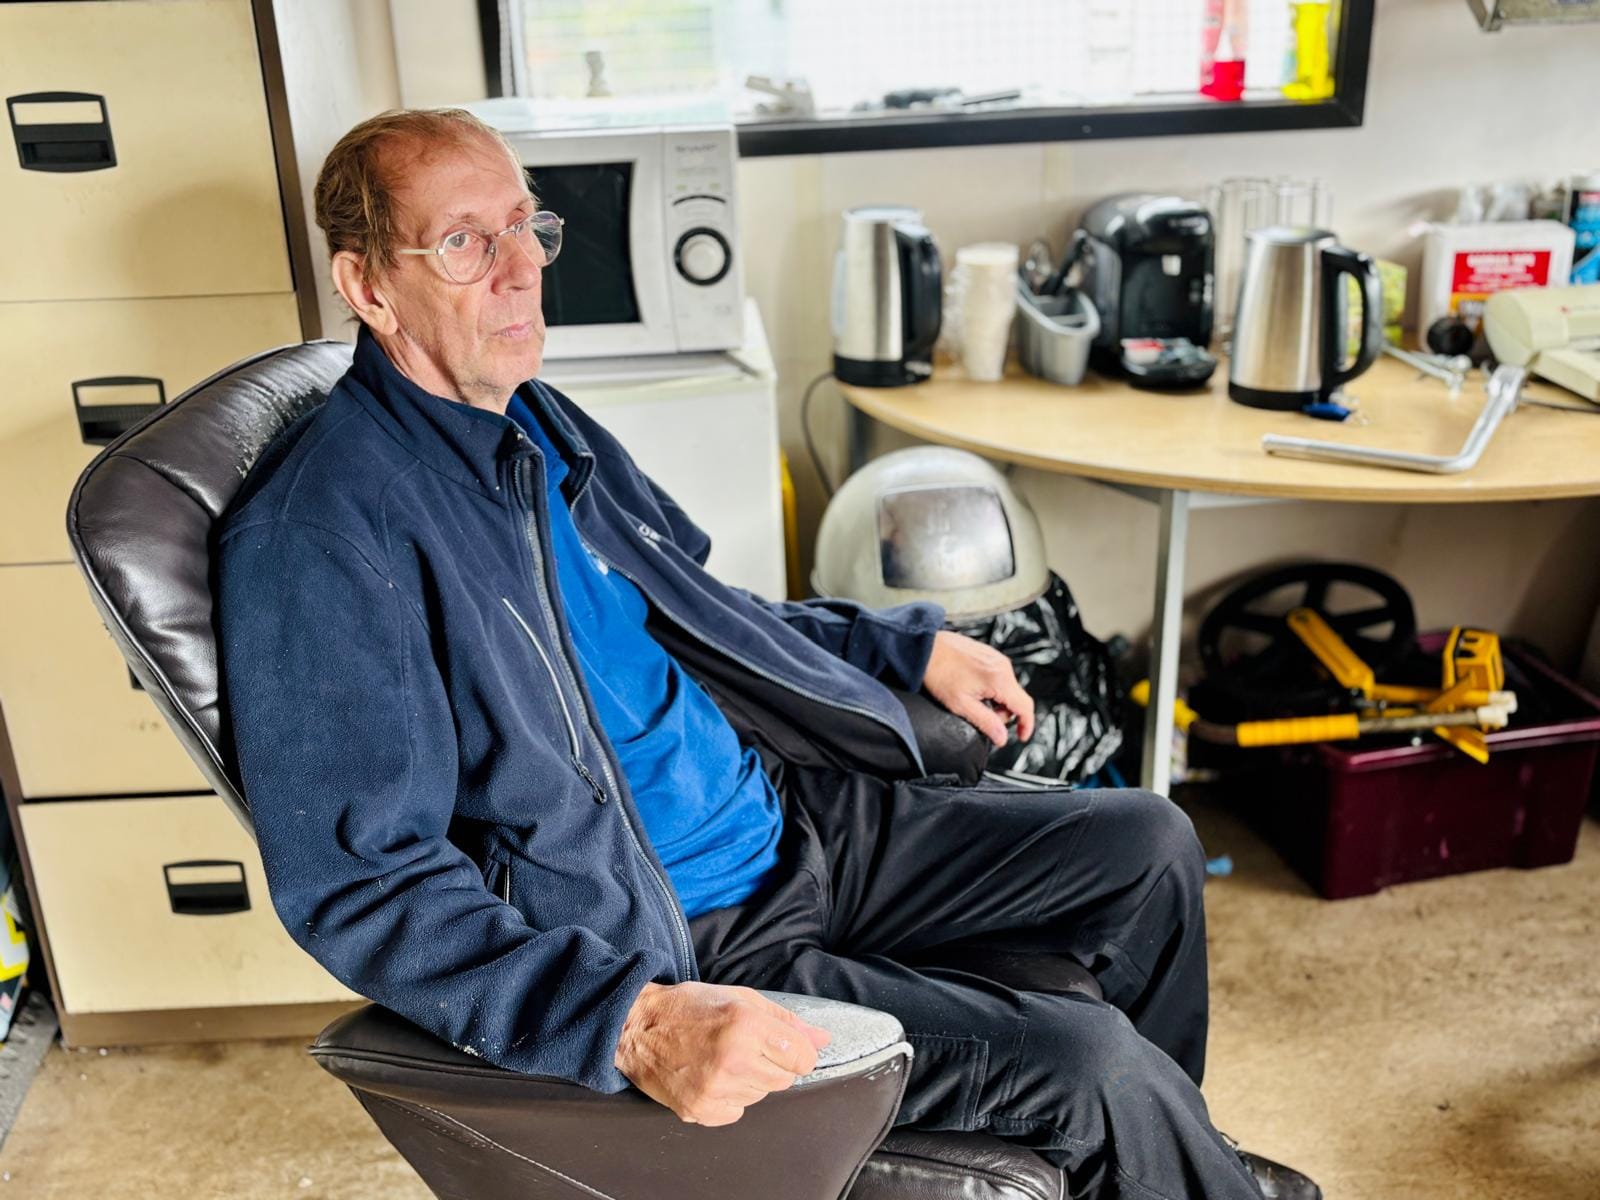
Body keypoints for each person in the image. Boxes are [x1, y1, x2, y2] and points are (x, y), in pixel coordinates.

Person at [217, 108, 1318, 1200]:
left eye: (525, 226)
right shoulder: (322, 537)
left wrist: (899, 648)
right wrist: (631, 1020)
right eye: (465, 242)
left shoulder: (534, 421)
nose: (520, 270)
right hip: (690, 932)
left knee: (1149, 844)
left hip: (792, 814)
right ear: (369, 287)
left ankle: (1173, 1158)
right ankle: (1173, 1158)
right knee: (1090, 1062)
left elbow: (700, 609)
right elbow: (367, 886)